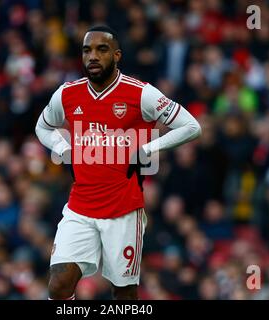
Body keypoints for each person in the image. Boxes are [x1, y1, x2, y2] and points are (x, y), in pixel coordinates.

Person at [35, 25, 202, 300]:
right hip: (80, 207)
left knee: (123, 292)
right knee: (58, 284)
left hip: (123, 210)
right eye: (87, 50)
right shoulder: (67, 94)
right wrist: (63, 149)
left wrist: (147, 148)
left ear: (117, 55)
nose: (93, 56)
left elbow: (191, 126)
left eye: (102, 50)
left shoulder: (141, 93)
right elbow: (43, 127)